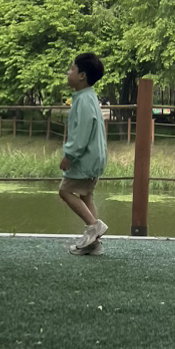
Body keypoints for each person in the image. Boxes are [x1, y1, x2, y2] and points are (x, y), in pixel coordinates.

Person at [59, 52, 109, 255]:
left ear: (82, 76)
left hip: (84, 158)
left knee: (65, 191)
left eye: (72, 68)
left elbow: (82, 132)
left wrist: (69, 155)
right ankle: (93, 245)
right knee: (86, 195)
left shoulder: (84, 100)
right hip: (94, 157)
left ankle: (94, 227)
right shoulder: (87, 97)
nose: (68, 72)